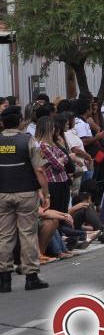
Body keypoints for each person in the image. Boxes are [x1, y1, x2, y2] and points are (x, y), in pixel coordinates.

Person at [0, 106, 50, 293]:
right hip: (26, 193)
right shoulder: (27, 141)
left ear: (3, 122)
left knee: (4, 235)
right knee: (27, 234)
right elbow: (39, 169)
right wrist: (46, 193)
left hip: (2, 194)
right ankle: (31, 277)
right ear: (20, 121)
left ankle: (4, 279)